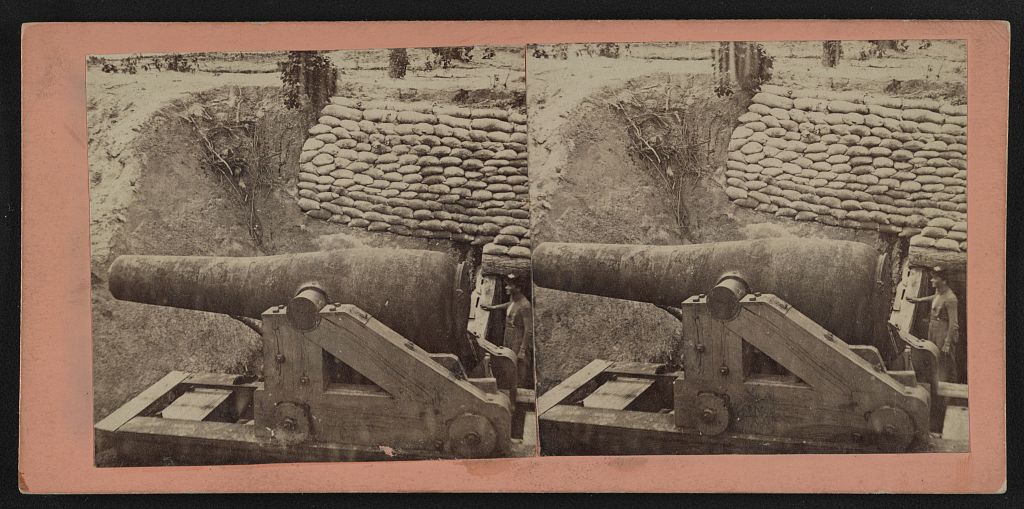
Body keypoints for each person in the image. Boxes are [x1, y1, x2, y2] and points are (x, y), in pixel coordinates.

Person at [907, 266, 960, 383]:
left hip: (943, 332)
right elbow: (934, 298)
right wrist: (918, 300)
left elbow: (953, 323)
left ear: (944, 281)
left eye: (935, 278)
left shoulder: (951, 298)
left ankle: (948, 389)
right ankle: (935, 385)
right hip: (934, 330)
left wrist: (947, 343)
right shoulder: (939, 292)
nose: (932, 280)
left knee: (944, 363)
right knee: (933, 356)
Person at [481, 273, 534, 387]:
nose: (506, 287)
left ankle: (519, 391)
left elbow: (528, 330)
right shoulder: (514, 299)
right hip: (509, 336)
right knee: (507, 361)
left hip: (518, 339)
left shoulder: (525, 305)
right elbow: (510, 304)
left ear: (518, 288)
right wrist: (493, 307)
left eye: (510, 285)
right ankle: (510, 388)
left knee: (517, 365)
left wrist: (522, 350)